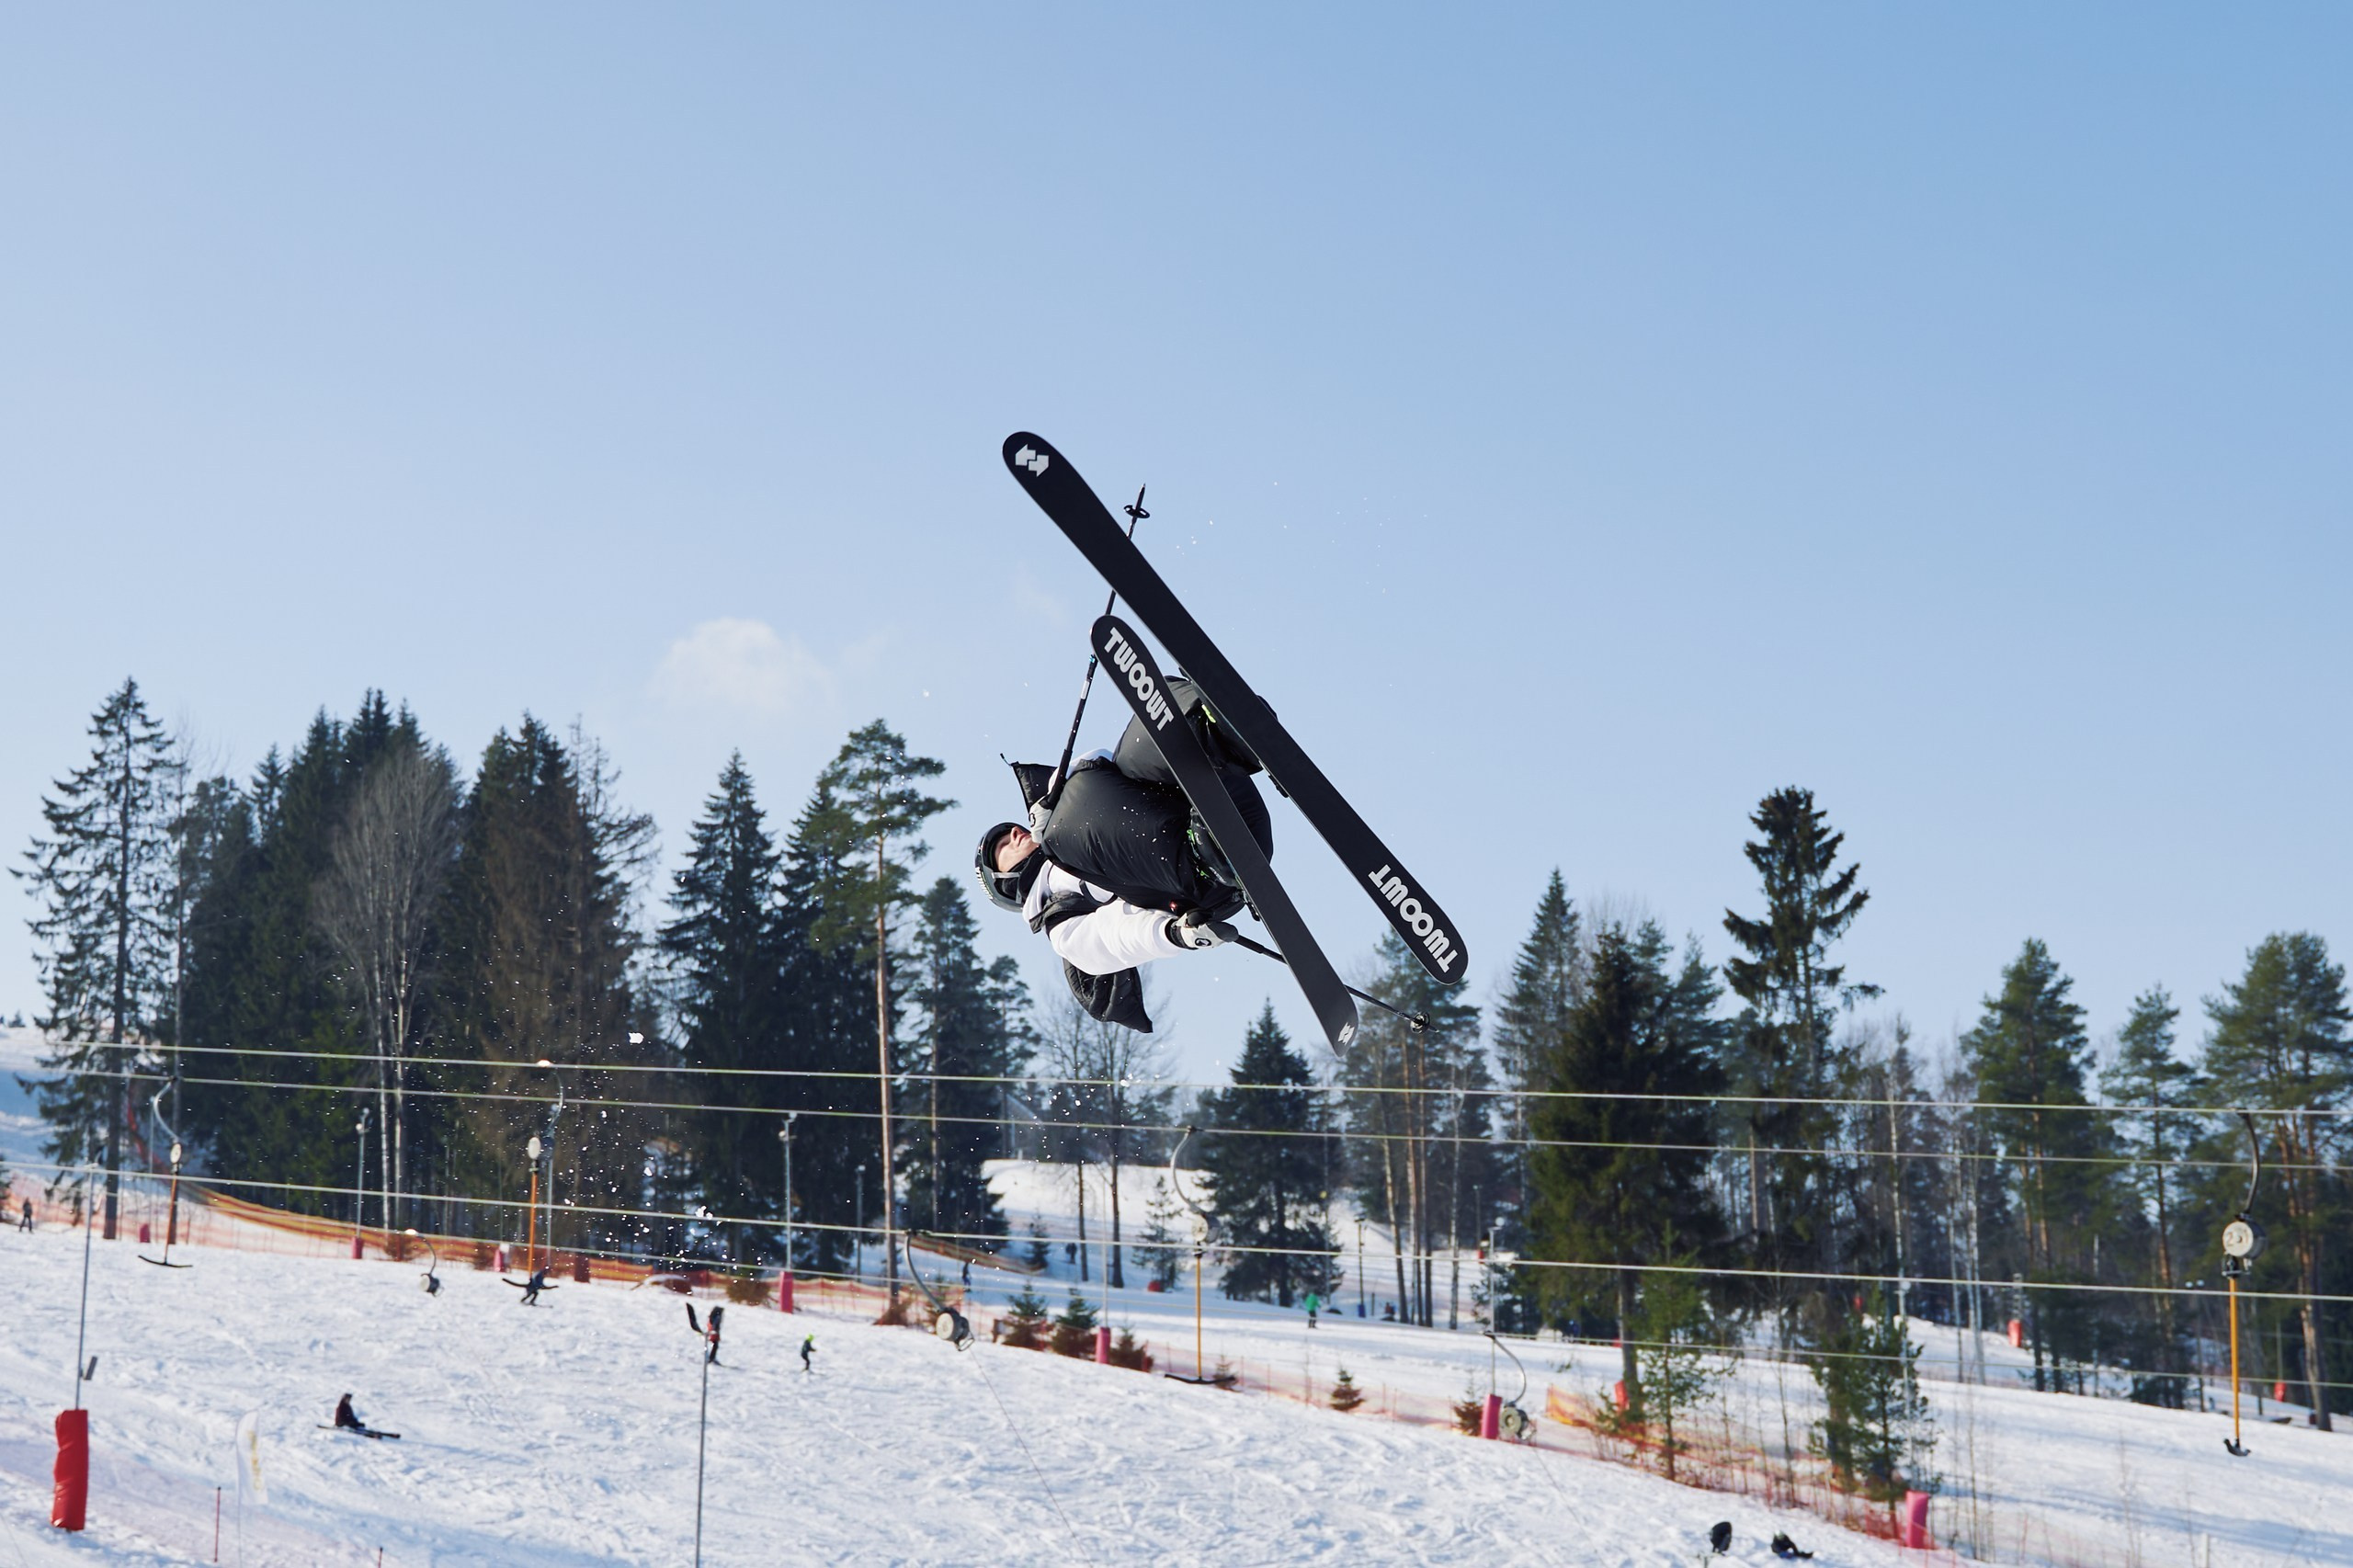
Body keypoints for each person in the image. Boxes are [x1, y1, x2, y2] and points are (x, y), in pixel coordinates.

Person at [975, 676, 1271, 1034]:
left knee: (1139, 736)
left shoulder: (1060, 811)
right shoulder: (1060, 918)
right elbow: (1113, 937)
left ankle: (1223, 730)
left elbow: (1101, 761)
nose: (1013, 834)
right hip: (1206, 878)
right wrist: (1173, 935)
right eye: (1002, 848)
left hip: (1229, 807)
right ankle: (1207, 850)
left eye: (1009, 830)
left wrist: (1056, 787)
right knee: (1072, 817)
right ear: (1006, 883)